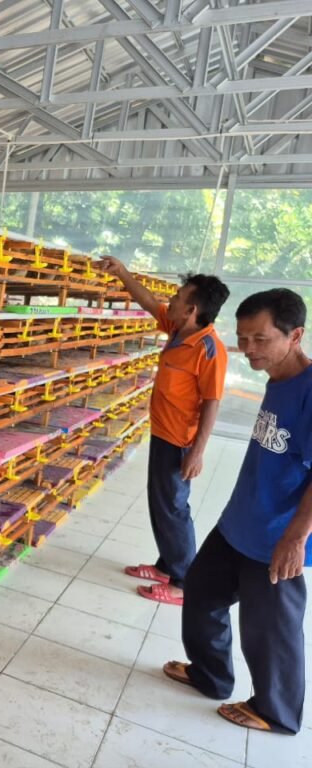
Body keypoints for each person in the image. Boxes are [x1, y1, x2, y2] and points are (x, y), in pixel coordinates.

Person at [163, 288, 311, 734]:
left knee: (270, 629)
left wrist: (295, 537)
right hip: (239, 522)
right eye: (243, 338)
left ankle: (275, 712)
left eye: (260, 339)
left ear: (295, 335)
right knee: (201, 592)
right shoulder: (278, 379)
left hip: (277, 535)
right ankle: (210, 674)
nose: (248, 349)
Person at [98, 258, 229, 605]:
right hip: (162, 432)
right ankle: (166, 565)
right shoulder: (177, 327)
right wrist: (122, 273)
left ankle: (184, 582)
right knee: (161, 504)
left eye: (177, 297)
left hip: (180, 441)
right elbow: (146, 300)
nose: (170, 300)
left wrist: (197, 452)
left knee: (173, 508)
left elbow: (212, 402)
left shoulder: (209, 349)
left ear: (192, 309)